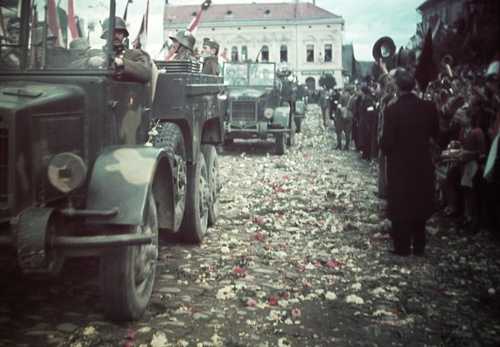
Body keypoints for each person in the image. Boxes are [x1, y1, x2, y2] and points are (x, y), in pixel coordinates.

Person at [380, 68, 439, 256]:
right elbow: (436, 134)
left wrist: (384, 147)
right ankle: (420, 246)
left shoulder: (392, 110)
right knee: (419, 202)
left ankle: (402, 247)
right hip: (422, 163)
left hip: (400, 165)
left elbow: (387, 142)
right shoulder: (429, 107)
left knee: (400, 204)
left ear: (397, 88)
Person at [92, 16, 151, 83]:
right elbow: (77, 64)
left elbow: (145, 74)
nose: (116, 36)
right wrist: (89, 61)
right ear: (105, 35)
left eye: (119, 33)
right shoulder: (94, 54)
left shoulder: (135, 54)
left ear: (124, 35)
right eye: (112, 32)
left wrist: (121, 63)